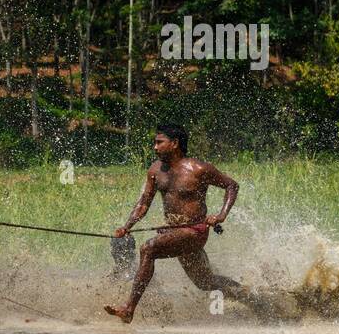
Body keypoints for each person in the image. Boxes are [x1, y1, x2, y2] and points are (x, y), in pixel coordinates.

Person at [104, 124, 263, 323]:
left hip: (194, 232)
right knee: (205, 282)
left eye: (159, 142)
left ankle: (128, 309)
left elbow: (231, 185)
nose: (155, 147)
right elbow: (144, 203)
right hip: (174, 233)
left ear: (175, 143)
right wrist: (127, 227)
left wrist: (221, 215)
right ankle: (255, 300)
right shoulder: (155, 170)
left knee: (149, 249)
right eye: (155, 143)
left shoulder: (198, 169)